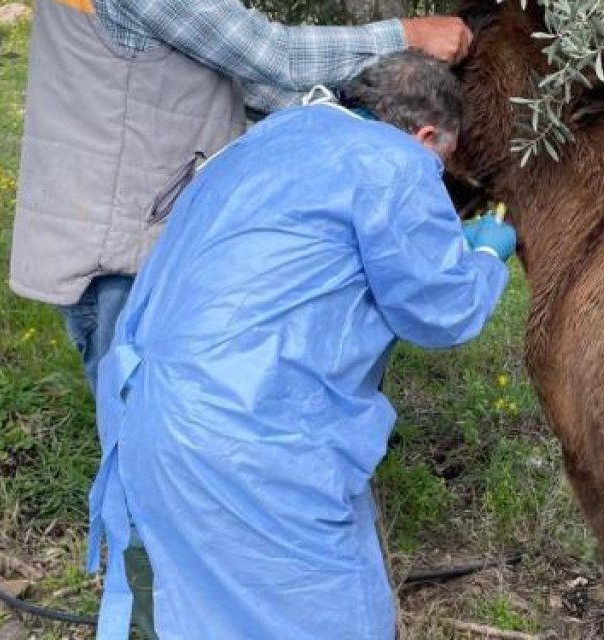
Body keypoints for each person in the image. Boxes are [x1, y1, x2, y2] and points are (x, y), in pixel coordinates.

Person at [86, 51, 517, 639]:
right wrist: (486, 256)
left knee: (211, 616)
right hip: (251, 438)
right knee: (327, 616)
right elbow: (441, 311)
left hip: (147, 418)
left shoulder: (267, 139)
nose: (435, 179)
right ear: (424, 135)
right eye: (439, 164)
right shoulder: (393, 162)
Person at [10, 0, 473, 393]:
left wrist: (351, 123)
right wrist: (406, 35)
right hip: (122, 246)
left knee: (177, 407)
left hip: (139, 226)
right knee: (147, 418)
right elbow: (271, 54)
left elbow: (226, 75)